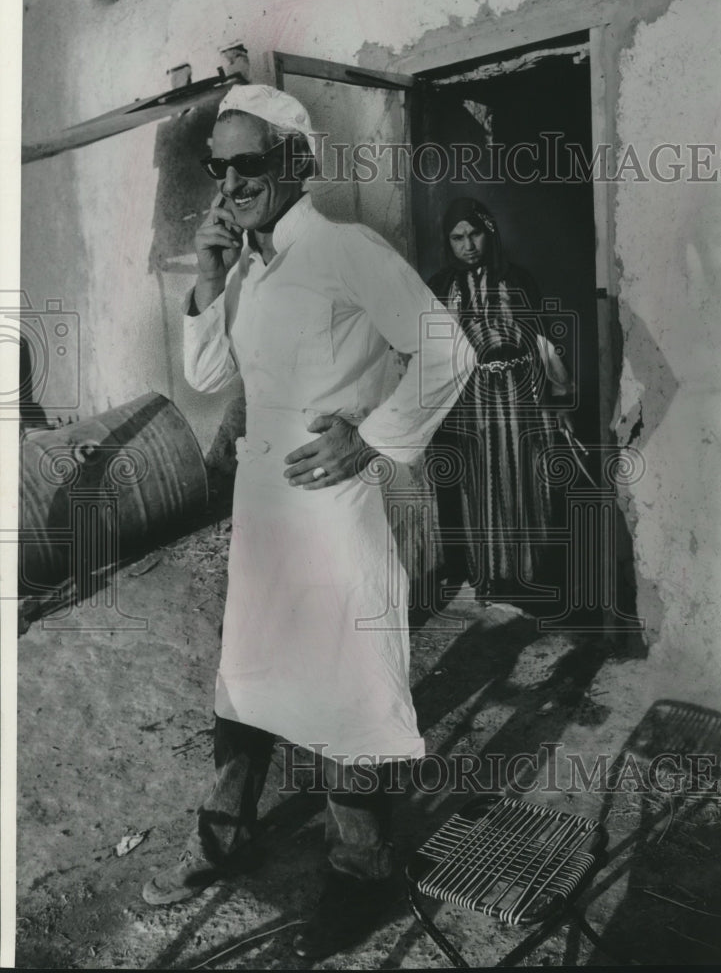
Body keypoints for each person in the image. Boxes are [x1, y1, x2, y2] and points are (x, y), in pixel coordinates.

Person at [140, 84, 474, 959]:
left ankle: (361, 869)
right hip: (264, 511)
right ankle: (223, 835)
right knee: (246, 675)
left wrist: (370, 436)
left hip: (331, 510)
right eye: (217, 167)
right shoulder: (251, 268)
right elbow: (209, 377)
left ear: (296, 159)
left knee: (342, 687)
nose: (230, 182)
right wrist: (209, 278)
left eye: (248, 162)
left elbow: (447, 349)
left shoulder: (344, 248)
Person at [427, 197, 573, 606]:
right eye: (457, 237)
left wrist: (561, 399)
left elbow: (544, 342)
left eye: (474, 233)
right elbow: (430, 353)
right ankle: (489, 577)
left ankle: (530, 579)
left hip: (521, 400)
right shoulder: (440, 287)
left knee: (526, 481)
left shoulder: (517, 281)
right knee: (478, 485)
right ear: (448, 242)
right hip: (469, 403)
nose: (468, 245)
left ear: (488, 233)